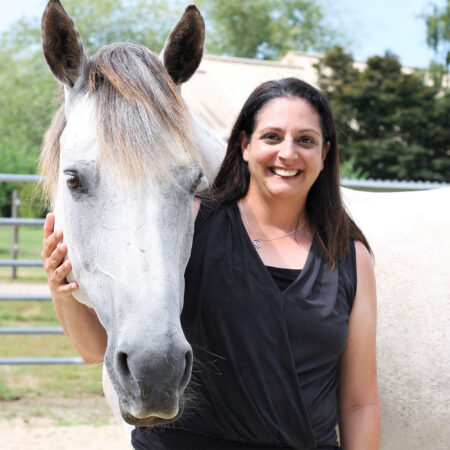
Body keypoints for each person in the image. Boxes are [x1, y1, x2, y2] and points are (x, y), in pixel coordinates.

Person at [42, 77, 380, 450]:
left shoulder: (349, 258)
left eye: (305, 140)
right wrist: (61, 288)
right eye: (271, 137)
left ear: (324, 153)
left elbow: (359, 403)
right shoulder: (191, 225)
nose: (287, 153)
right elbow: (95, 350)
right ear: (245, 145)